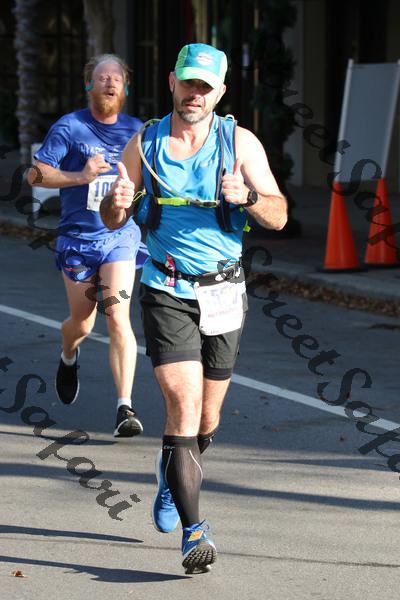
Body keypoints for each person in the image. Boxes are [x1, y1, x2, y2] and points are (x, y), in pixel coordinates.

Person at [100, 43, 287, 572]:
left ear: (220, 92)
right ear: (172, 83)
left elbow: (278, 215)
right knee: (182, 408)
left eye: (205, 87)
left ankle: (170, 473)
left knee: (207, 419)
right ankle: (194, 531)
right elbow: (113, 216)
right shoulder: (146, 143)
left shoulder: (239, 143)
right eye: (188, 84)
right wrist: (116, 205)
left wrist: (248, 198)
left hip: (223, 291)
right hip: (166, 287)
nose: (195, 95)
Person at [27, 53, 145, 438]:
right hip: (78, 241)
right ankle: (68, 353)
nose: (110, 83)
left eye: (117, 78)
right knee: (82, 322)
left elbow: (151, 183)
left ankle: (124, 407)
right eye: (102, 77)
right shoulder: (70, 127)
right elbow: (35, 176)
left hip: (119, 238)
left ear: (126, 88)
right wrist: (81, 176)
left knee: (117, 316)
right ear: (89, 85)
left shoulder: (137, 131)